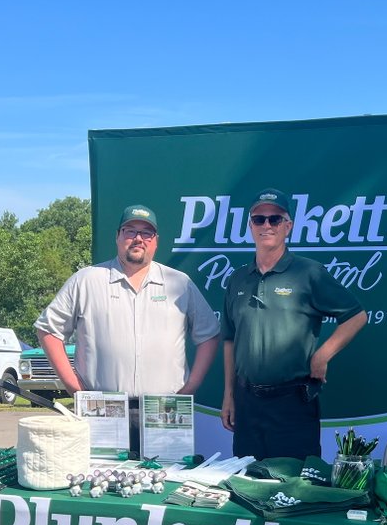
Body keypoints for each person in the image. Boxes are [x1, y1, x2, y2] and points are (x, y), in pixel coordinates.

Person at [35, 204, 220, 450]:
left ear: (156, 241)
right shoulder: (87, 280)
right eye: (130, 231)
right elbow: (48, 330)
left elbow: (210, 334)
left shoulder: (179, 283)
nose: (138, 239)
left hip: (165, 409)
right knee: (102, 481)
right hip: (102, 408)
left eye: (146, 233)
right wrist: (74, 388)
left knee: (165, 482)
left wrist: (192, 386)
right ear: (118, 237)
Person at [220, 187, 367, 460]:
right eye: (258, 219)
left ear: (288, 226)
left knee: (295, 487)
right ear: (250, 226)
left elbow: (356, 316)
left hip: (292, 401)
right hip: (247, 402)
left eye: (275, 219)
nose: (266, 225)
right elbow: (229, 339)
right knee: (246, 483)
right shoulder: (237, 279)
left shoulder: (309, 272)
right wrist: (229, 395)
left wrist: (323, 354)